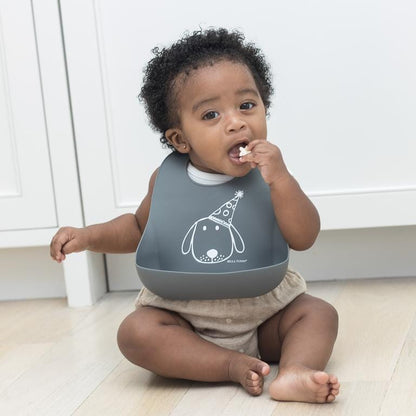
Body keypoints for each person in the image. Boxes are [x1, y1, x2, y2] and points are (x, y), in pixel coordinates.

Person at [50, 28, 340, 403]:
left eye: (247, 105)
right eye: (211, 114)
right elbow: (137, 228)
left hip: (264, 313)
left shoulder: (271, 176)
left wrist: (282, 181)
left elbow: (304, 236)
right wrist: (88, 236)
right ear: (180, 139)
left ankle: (295, 370)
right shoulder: (166, 180)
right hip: (183, 319)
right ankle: (228, 364)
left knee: (318, 313)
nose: (236, 122)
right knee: (136, 333)